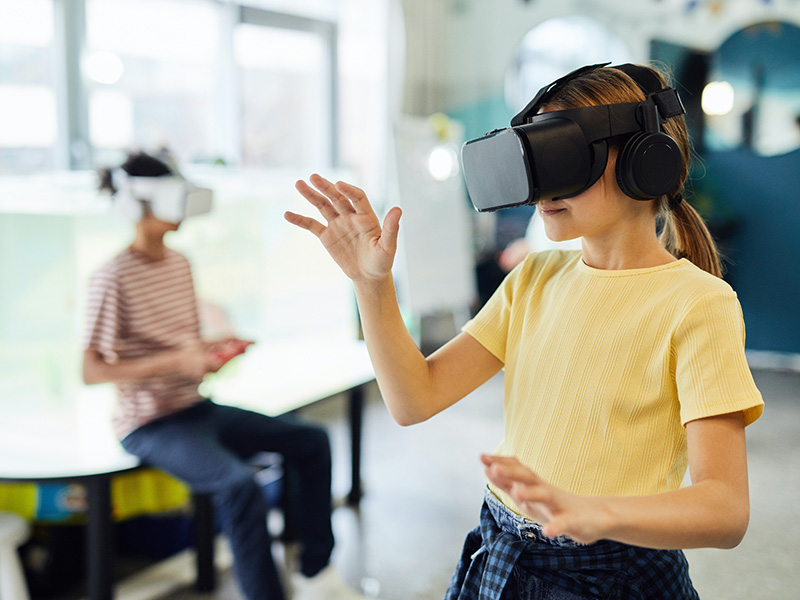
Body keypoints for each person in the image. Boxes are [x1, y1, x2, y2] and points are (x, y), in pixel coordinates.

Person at [285, 63, 764, 599]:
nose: (541, 188)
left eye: (563, 157)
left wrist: (595, 512)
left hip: (614, 575)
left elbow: (725, 508)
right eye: (534, 160)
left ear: (643, 161)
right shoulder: (535, 277)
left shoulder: (698, 304)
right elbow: (413, 399)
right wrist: (370, 286)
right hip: (500, 552)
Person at [83, 151, 372, 600]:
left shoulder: (179, 264)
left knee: (311, 441)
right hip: (148, 425)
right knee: (239, 486)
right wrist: (176, 363)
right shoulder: (110, 277)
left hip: (197, 408)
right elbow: (91, 369)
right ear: (136, 205)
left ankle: (315, 574)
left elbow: (184, 345)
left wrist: (215, 350)